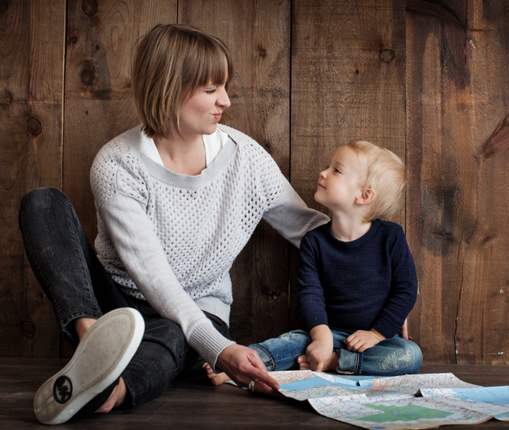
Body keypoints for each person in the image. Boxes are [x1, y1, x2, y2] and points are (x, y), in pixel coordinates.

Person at [18, 23, 328, 425]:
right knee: (43, 203)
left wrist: (381, 278)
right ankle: (94, 342)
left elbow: (309, 230)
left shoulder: (245, 158)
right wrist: (222, 351)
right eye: (211, 89)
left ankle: (109, 390)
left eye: (224, 87)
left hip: (197, 310)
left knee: (172, 334)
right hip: (113, 304)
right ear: (171, 88)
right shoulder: (117, 164)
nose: (226, 101)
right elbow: (153, 276)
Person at [205, 140, 422, 386]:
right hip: (328, 331)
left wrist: (377, 333)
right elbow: (310, 293)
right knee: (290, 343)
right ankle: (238, 367)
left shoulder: (390, 237)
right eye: (328, 167)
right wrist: (321, 336)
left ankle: (333, 363)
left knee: (410, 355)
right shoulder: (315, 241)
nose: (323, 173)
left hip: (375, 341)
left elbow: (405, 289)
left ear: (364, 195)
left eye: (336, 171)